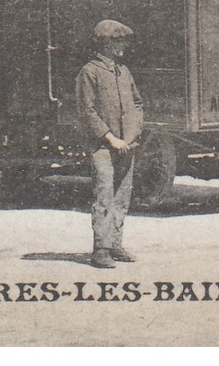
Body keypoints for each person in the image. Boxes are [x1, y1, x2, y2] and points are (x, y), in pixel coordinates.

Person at [75, 18, 144, 269]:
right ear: (104, 44)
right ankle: (101, 249)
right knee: (104, 195)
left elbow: (137, 103)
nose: (123, 47)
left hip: (127, 145)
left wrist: (133, 134)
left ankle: (116, 244)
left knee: (122, 196)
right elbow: (88, 112)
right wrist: (111, 139)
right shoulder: (89, 72)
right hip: (103, 147)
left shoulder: (122, 71)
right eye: (118, 42)